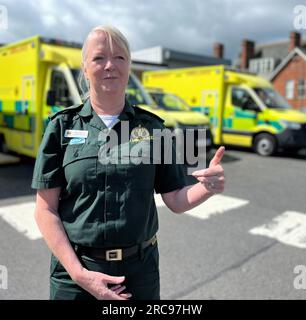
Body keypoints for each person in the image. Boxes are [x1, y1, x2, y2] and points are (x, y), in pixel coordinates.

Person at [32, 25, 225, 300]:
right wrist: (79, 274)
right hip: (75, 273)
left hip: (139, 274)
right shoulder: (61, 126)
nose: (110, 65)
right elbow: (45, 210)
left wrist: (208, 187)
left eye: (119, 57)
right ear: (85, 68)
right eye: (99, 58)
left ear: (129, 66)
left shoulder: (154, 129)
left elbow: (176, 199)